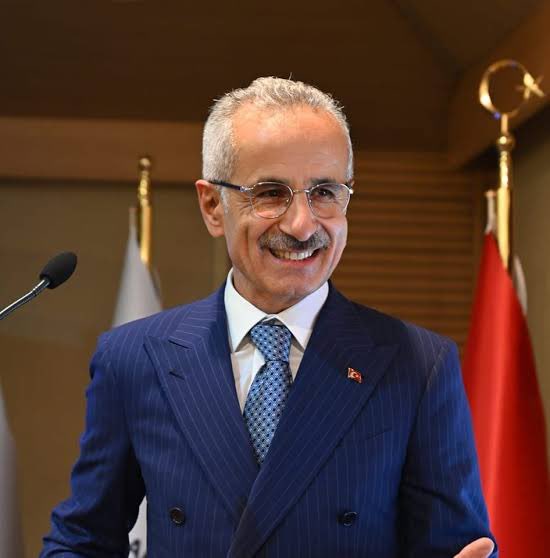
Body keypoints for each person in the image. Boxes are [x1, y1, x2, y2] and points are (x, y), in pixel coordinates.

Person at [41, 78, 496, 557]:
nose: (302, 225)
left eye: (324, 192)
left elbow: (459, 546)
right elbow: (81, 542)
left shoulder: (418, 364)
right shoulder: (134, 358)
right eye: (271, 193)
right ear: (212, 206)